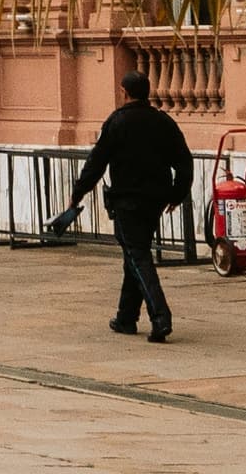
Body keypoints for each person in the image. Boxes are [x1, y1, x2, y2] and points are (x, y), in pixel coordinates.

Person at [66, 69, 193, 342]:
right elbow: (184, 161)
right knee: (134, 255)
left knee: (137, 256)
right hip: (155, 199)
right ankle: (126, 317)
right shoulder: (163, 122)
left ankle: (161, 317)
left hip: (127, 200)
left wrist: (78, 193)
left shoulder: (117, 122)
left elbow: (96, 162)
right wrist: (176, 194)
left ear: (124, 92)